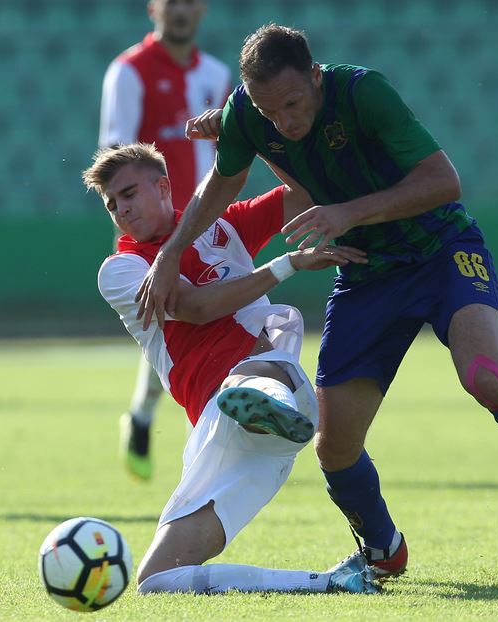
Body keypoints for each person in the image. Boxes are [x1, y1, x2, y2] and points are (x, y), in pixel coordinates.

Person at [135, 24, 498, 584]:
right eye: (269, 112)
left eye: (294, 104)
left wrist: (347, 212)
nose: (285, 122)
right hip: (365, 272)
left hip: (440, 250)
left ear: (316, 78)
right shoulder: (249, 114)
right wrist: (170, 252)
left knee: (488, 377)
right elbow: (220, 186)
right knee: (334, 447)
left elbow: (445, 181)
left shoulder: (362, 92)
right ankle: (382, 549)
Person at [83, 143, 377, 594]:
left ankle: (266, 394)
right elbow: (197, 308)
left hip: (265, 384)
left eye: (128, 194)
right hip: (221, 430)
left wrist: (253, 139)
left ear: (163, 186)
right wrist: (288, 263)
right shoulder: (121, 269)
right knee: (158, 580)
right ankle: (332, 582)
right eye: (112, 204)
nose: (121, 209)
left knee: (269, 334)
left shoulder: (224, 226)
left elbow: (306, 192)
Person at [99, 0, 231, 480]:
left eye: (189, 2)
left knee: (202, 324)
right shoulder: (129, 72)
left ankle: (145, 415)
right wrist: (131, 238)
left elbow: (225, 154)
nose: (180, 10)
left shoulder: (216, 75)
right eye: (171, 1)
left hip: (202, 218)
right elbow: (113, 155)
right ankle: (164, 425)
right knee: (170, 328)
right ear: (154, 7)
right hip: (153, 229)